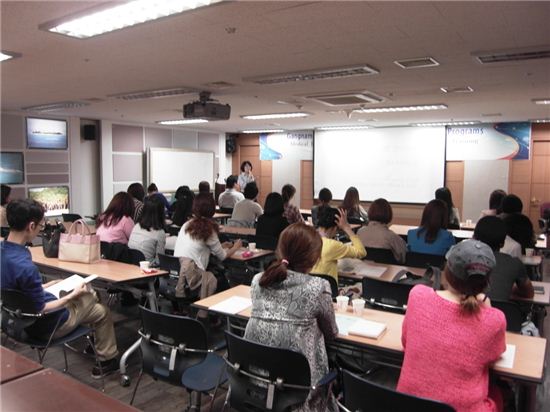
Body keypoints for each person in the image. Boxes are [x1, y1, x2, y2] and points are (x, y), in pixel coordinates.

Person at [1, 199, 119, 378]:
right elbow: (41, 309)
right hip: (49, 325)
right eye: (41, 225)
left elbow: (17, 289)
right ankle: (106, 359)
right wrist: (74, 295)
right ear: (31, 226)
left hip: (18, 322)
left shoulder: (4, 253)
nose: (41, 229)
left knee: (99, 311)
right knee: (91, 294)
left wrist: (45, 285)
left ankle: (101, 353)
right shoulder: (26, 266)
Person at [397, 239, 506, 412]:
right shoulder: (494, 319)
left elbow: (405, 342)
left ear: (447, 271)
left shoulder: (417, 295)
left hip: (409, 405)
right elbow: (493, 357)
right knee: (501, 394)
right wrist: (488, 309)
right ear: (486, 282)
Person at [244, 223, 338, 412]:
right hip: (300, 392)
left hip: (256, 382)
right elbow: (332, 332)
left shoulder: (259, 280)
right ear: (315, 258)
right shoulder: (318, 287)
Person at [173, 193, 242, 299]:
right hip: (195, 274)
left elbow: (199, 247)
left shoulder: (186, 225)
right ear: (212, 209)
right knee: (221, 280)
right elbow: (222, 256)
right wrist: (236, 247)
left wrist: (222, 245)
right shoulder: (208, 229)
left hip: (180, 272)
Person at [473, 216, 534, 302]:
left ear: (474, 238)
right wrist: (509, 288)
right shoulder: (514, 263)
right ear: (503, 243)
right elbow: (529, 293)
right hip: (504, 313)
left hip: (469, 312)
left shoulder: (463, 260)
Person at [310, 207, 366, 282]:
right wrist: (347, 228)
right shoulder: (332, 245)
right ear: (335, 228)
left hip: (310, 288)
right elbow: (361, 252)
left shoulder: (307, 238)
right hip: (328, 290)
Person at [357, 198, 407, 263]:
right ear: (388, 213)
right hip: (387, 271)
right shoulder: (391, 236)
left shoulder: (360, 232)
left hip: (362, 270)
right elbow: (402, 257)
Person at [128, 196, 166, 265]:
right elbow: (159, 261)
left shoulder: (136, 226)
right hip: (147, 269)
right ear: (161, 213)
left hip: (132, 267)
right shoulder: (160, 233)